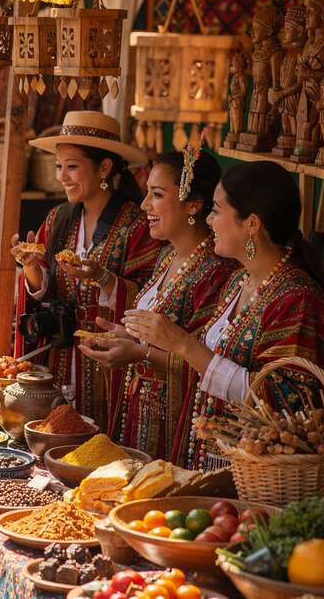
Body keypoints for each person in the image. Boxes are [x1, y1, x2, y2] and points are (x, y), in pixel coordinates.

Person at [121, 161, 324, 470]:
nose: (208, 221)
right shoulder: (239, 281)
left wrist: (184, 344)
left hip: (259, 473)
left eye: (216, 211)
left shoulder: (296, 299)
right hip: (209, 457)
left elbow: (286, 403)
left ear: (251, 223)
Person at [78, 147, 237, 466]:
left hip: (175, 426)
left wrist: (140, 353)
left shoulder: (214, 272)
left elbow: (204, 360)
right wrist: (127, 337)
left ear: (193, 204)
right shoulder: (166, 256)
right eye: (147, 192)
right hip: (139, 415)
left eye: (157, 194)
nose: (144, 205)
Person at [12, 110, 161, 433]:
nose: (62, 177)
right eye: (59, 167)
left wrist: (104, 278)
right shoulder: (58, 219)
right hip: (61, 359)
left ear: (104, 168)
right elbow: (44, 290)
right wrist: (30, 267)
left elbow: (150, 293)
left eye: (72, 167)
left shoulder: (135, 225)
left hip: (107, 366)